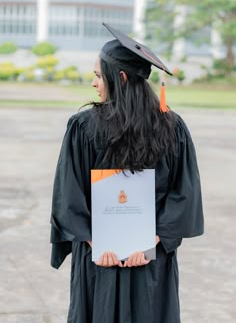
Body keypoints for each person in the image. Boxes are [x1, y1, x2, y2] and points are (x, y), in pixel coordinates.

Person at [50, 23, 204, 323]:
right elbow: (185, 192)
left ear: (119, 76)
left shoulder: (83, 127)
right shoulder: (172, 126)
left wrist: (96, 240)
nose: (94, 83)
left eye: (98, 75)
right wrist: (154, 240)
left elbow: (68, 192)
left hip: (101, 258)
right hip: (148, 258)